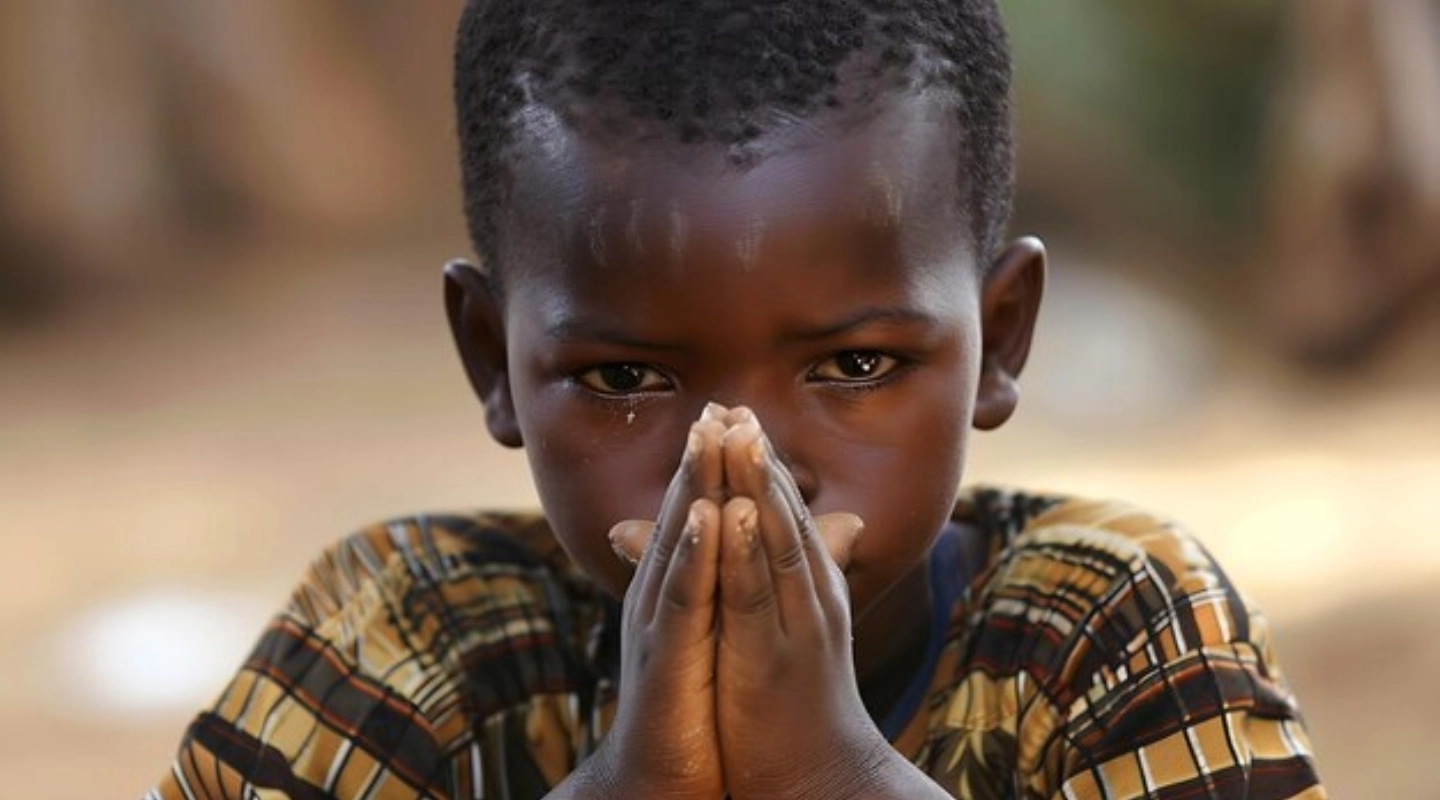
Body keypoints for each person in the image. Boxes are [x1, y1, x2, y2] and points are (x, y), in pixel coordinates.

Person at [150, 1, 1326, 797]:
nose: (747, 464)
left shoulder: (1109, 633)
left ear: (1000, 336)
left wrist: (833, 775)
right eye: (625, 378)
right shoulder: (412, 639)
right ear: (491, 359)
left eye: (855, 365)